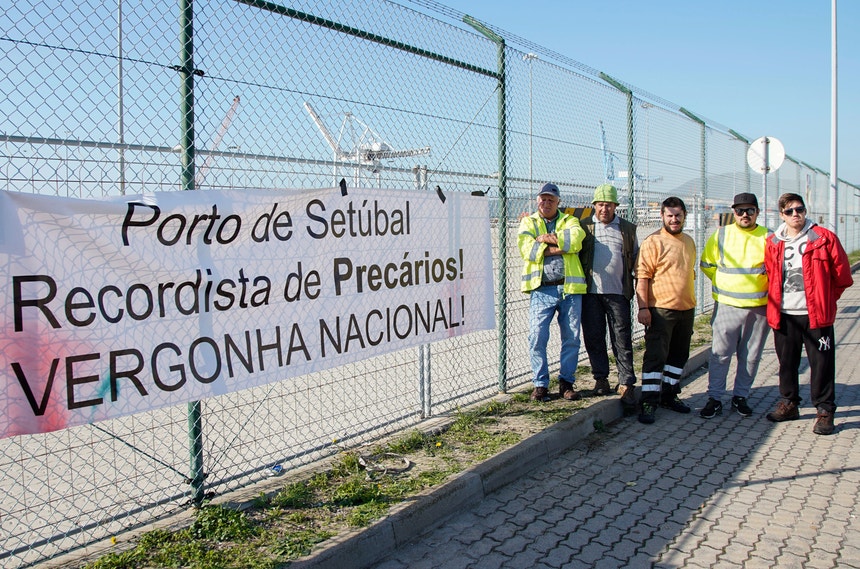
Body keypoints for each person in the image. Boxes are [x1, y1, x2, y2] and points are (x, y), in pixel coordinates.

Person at [763, 193, 853, 435]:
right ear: (781, 214)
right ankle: (790, 404)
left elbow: (842, 276)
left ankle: (824, 411)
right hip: (784, 315)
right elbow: (771, 276)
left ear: (805, 210)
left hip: (816, 316)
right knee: (787, 364)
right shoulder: (773, 242)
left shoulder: (824, 238)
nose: (796, 214)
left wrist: (825, 301)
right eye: (790, 211)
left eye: (799, 209)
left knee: (821, 364)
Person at [699, 193, 771, 419]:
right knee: (720, 354)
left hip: (759, 307)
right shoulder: (721, 234)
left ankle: (740, 397)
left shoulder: (769, 237)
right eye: (740, 211)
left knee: (750, 356)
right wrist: (724, 285)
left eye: (750, 210)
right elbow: (707, 265)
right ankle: (715, 398)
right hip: (727, 306)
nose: (744, 215)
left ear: (757, 212)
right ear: (734, 212)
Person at [518, 183, 587, 402]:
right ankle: (540, 384)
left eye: (551, 200)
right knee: (537, 336)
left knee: (572, 338)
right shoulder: (528, 222)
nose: (546, 203)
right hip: (542, 290)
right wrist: (561, 243)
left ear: (558, 202)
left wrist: (545, 240)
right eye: (543, 199)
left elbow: (576, 242)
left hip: (569, 288)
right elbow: (527, 249)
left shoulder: (570, 220)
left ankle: (566, 383)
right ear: (537, 200)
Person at [635, 196, 697, 424]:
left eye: (678, 215)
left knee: (678, 356)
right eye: (669, 215)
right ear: (662, 216)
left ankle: (669, 395)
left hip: (686, 310)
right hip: (660, 311)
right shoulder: (653, 242)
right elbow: (642, 277)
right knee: (655, 357)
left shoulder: (689, 241)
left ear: (684, 216)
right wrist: (643, 308)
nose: (674, 219)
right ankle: (649, 401)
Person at [579, 184, 639, 416]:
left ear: (615, 206)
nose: (605, 209)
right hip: (590, 293)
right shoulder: (584, 227)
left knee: (622, 338)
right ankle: (601, 379)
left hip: (618, 293)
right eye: (601, 204)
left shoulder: (627, 229)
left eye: (609, 204)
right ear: (594, 205)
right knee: (594, 337)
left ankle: (626, 383)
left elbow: (635, 258)